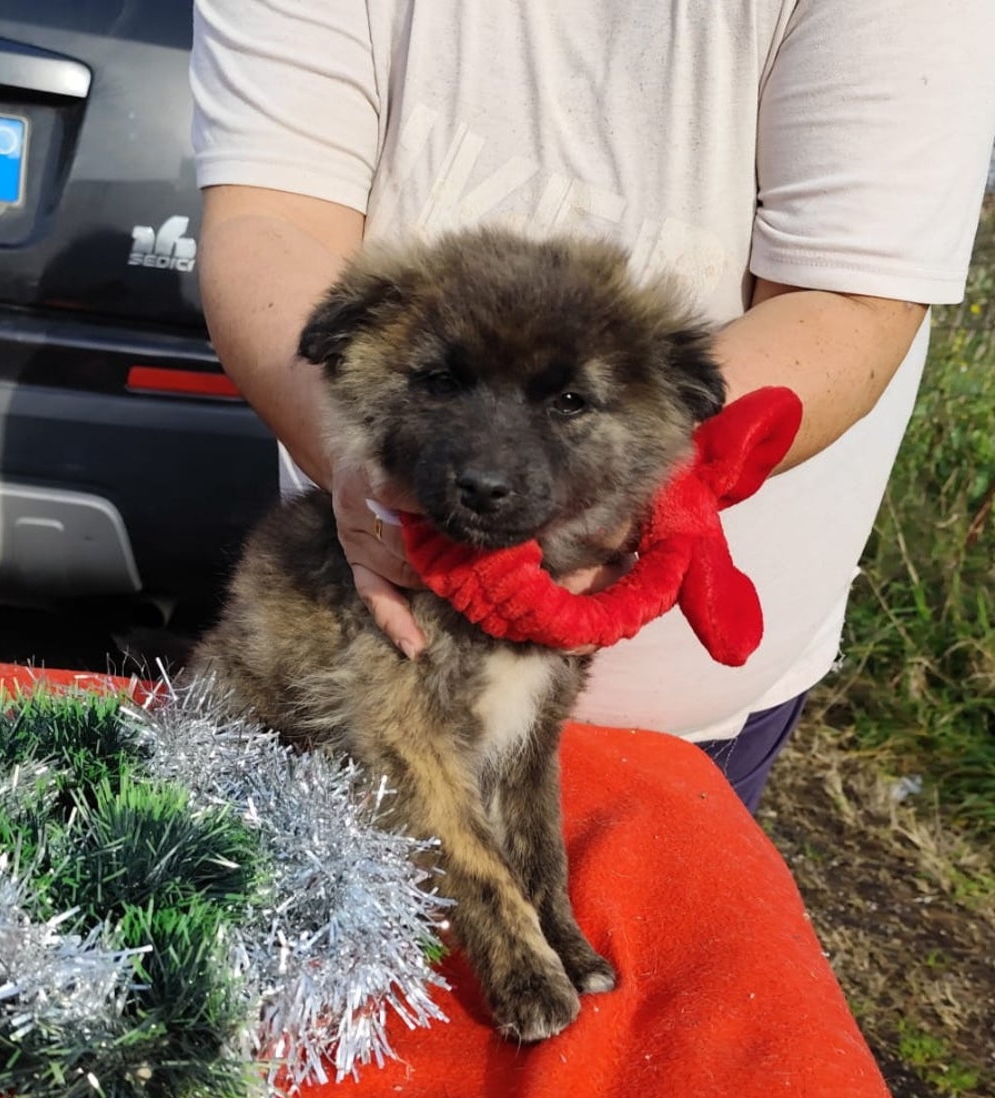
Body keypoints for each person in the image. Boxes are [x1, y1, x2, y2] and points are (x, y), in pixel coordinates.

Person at [189, 0, 995, 812]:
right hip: (368, 635)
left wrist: (645, 490)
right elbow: (268, 217)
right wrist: (361, 469)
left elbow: (848, 299)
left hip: (682, 720)